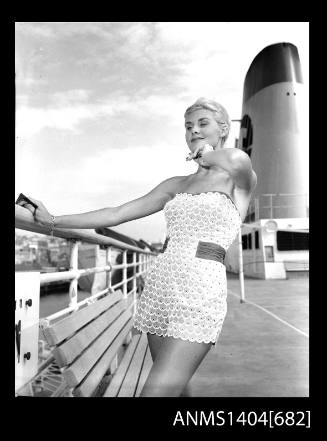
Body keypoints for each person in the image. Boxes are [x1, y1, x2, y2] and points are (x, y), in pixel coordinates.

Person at [18, 97, 257, 397]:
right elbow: (116, 213)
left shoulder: (239, 178)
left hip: (201, 292)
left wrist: (206, 155)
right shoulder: (176, 184)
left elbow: (237, 159)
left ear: (224, 129)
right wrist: (52, 220)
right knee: (174, 389)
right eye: (187, 126)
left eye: (202, 124)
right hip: (161, 288)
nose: (193, 131)